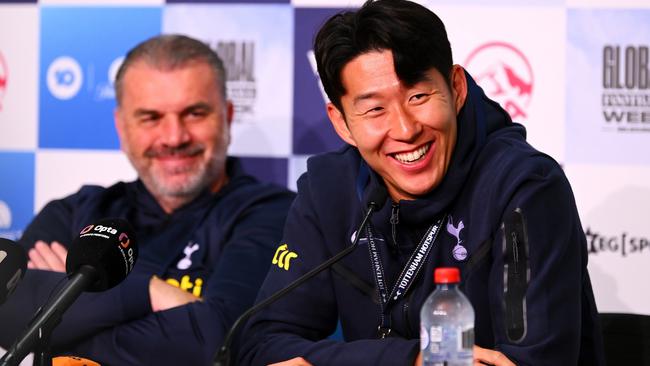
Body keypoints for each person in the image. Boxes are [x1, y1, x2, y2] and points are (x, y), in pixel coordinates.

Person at [238, 1, 605, 365]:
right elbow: (261, 345)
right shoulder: (328, 190)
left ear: (457, 88)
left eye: (418, 96)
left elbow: (532, 362)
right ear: (341, 123)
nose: (405, 129)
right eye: (375, 109)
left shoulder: (524, 188)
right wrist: (412, 360)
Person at [0, 34, 295, 365]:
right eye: (151, 117)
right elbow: (4, 312)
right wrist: (149, 292)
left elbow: (220, 340)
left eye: (194, 113)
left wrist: (66, 319)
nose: (174, 137)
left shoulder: (276, 213)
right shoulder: (75, 212)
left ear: (226, 116)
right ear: (121, 126)